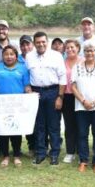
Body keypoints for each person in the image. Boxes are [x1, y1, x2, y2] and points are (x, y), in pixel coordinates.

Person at [26, 31, 67, 165]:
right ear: (34, 43)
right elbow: (27, 76)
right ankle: (40, 153)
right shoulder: (29, 56)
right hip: (36, 92)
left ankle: (54, 153)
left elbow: (62, 77)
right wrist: (29, 91)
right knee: (39, 125)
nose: (41, 44)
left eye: (43, 42)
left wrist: (60, 97)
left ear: (47, 42)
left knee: (54, 125)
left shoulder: (56, 56)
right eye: (38, 42)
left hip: (53, 91)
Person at [71, 43, 95, 173]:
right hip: (81, 106)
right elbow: (73, 87)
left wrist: (94, 103)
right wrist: (83, 101)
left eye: (92, 51)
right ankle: (83, 160)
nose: (89, 53)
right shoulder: (76, 68)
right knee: (82, 134)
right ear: (83, 52)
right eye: (87, 51)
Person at [0, 46, 31, 167]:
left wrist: (30, 93)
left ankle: (17, 155)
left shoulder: (23, 68)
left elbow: (26, 86)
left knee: (16, 130)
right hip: (1, 105)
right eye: (6, 54)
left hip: (17, 106)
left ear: (16, 56)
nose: (9, 57)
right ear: (2, 56)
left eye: (11, 54)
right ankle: (5, 156)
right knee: (2, 131)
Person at [61, 39, 82, 163]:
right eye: (67, 48)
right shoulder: (62, 63)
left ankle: (81, 152)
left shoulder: (83, 61)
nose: (70, 49)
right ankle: (70, 152)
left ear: (78, 48)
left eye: (72, 47)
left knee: (81, 125)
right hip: (67, 96)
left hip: (80, 97)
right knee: (69, 125)